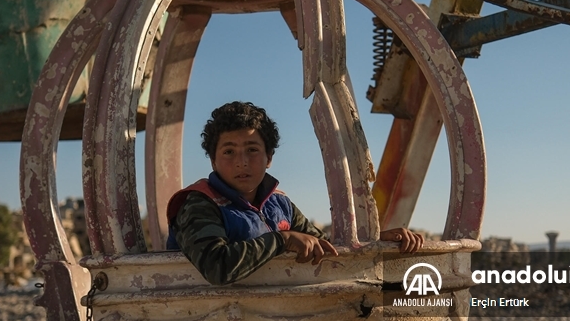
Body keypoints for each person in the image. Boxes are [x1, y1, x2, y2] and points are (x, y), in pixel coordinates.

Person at [166, 101, 423, 285]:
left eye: (252, 150)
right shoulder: (199, 203)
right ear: (213, 161)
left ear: (269, 158)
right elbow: (216, 267)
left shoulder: (279, 203)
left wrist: (377, 240)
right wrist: (283, 240)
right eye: (229, 151)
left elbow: (324, 246)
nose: (242, 162)